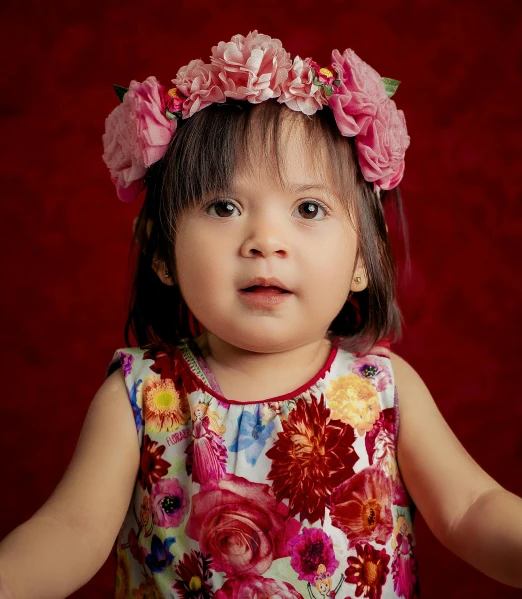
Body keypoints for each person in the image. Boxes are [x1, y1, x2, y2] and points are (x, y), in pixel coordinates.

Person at [0, 31, 521, 599]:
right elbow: (71, 529)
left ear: (363, 261)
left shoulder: (382, 390)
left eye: (309, 208)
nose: (265, 240)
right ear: (161, 253)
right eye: (224, 206)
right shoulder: (144, 396)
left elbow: (471, 507)